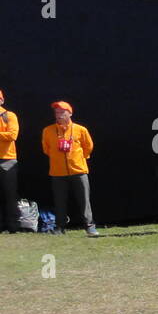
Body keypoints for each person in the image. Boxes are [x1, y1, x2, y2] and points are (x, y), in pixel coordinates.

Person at [42, 101, 98, 237]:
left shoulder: (80, 130)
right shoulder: (48, 130)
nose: (59, 115)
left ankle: (89, 227)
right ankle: (60, 227)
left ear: (70, 113)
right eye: (57, 113)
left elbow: (88, 147)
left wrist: (78, 159)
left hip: (78, 171)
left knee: (84, 200)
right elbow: (46, 149)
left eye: (62, 112)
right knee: (59, 201)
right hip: (57, 172)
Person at [0, 90, 19, 233]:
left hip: (7, 160)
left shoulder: (9, 115)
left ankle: (12, 226)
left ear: (2, 100)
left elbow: (12, 135)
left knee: (9, 194)